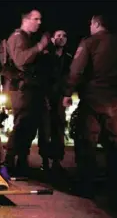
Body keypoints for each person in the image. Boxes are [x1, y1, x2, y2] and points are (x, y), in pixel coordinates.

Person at [62, 14, 117, 203]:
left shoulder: (89, 42)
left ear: (96, 24)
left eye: (91, 24)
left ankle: (86, 186)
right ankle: (114, 186)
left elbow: (76, 69)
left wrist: (67, 92)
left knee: (87, 142)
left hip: (93, 99)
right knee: (115, 144)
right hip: (115, 102)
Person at [2, 9, 51, 176]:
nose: (39, 22)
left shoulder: (28, 38)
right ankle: (7, 163)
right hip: (21, 90)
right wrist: (39, 47)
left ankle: (22, 163)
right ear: (26, 19)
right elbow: (21, 60)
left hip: (31, 89)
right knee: (21, 126)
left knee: (29, 128)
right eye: (36, 19)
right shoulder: (17, 37)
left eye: (40, 19)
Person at [38, 30, 72, 173]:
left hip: (60, 98)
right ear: (52, 39)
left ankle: (57, 161)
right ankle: (45, 161)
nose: (61, 38)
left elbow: (71, 78)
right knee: (45, 129)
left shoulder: (69, 58)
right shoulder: (45, 57)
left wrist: (67, 94)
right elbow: (40, 77)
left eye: (64, 36)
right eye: (58, 36)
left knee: (58, 128)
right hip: (45, 96)